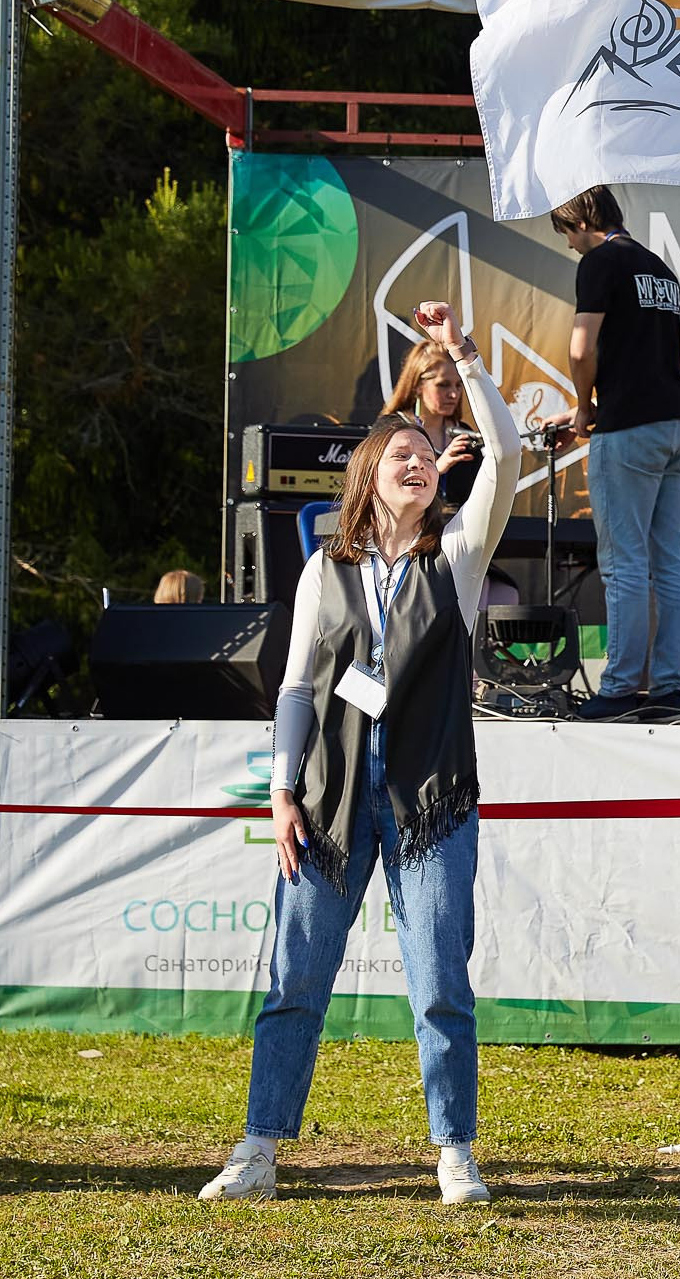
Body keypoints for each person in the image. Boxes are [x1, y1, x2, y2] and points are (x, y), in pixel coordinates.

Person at [198, 302, 521, 1206]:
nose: (419, 458)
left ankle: (454, 1150)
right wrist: (280, 791)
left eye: (427, 451)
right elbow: (298, 687)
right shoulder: (324, 569)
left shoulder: (454, 555)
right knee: (295, 978)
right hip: (332, 801)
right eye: (401, 452)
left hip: (430, 801)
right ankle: (259, 1149)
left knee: (438, 985)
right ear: (370, 476)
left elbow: (511, 454)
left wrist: (460, 351)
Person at [552, 185, 680, 720]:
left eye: (566, 233)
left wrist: (582, 405)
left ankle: (617, 689)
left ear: (580, 221)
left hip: (631, 424)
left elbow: (581, 347)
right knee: (670, 561)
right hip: (679, 422)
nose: (569, 247)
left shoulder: (601, 261)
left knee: (625, 563)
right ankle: (666, 690)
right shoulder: (658, 267)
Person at [387, 336, 486, 507]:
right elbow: (383, 489)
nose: (454, 394)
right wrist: (437, 469)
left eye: (458, 385)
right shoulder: (390, 429)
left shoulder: (464, 435)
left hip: (457, 531)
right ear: (417, 385)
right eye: (443, 385)